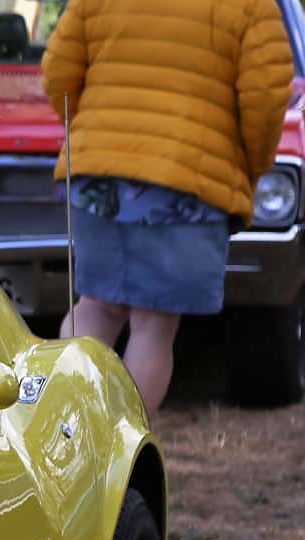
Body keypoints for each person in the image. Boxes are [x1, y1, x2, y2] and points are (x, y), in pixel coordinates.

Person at [42, 0, 292, 415]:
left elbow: (58, 75)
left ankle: (64, 430)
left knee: (95, 307)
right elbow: (265, 98)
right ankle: (122, 453)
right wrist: (251, 164)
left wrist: (97, 130)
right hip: (186, 178)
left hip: (98, 174)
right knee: (153, 325)